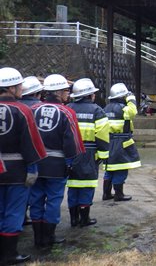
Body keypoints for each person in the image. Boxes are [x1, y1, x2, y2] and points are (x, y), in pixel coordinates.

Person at [30, 74, 85, 248]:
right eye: (66, 91)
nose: (68, 94)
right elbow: (72, 142)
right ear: (59, 92)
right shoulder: (67, 112)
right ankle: (49, 237)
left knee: (36, 198)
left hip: (35, 163)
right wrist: (71, 163)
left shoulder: (32, 110)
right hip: (57, 164)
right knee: (54, 199)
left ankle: (38, 238)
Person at [0, 67, 47, 264]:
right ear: (11, 87)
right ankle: (9, 254)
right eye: (19, 85)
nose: (22, 89)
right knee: (14, 210)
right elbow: (31, 142)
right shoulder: (22, 110)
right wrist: (33, 167)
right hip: (16, 169)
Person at [67, 78, 110, 225]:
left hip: (70, 152)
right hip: (89, 152)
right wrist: (103, 156)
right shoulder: (97, 111)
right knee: (87, 185)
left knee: (72, 185)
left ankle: (73, 219)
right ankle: (84, 219)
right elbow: (102, 136)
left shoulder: (68, 108)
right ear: (90, 95)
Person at [103, 83, 141, 201]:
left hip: (108, 141)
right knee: (121, 168)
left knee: (109, 168)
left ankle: (106, 194)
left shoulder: (105, 108)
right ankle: (119, 194)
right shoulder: (123, 108)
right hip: (121, 141)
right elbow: (133, 112)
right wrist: (131, 99)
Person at [18, 75, 43, 227]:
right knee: (34, 189)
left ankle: (21, 218)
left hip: (12, 159)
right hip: (37, 156)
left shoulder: (14, 106)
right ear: (37, 93)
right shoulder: (42, 107)